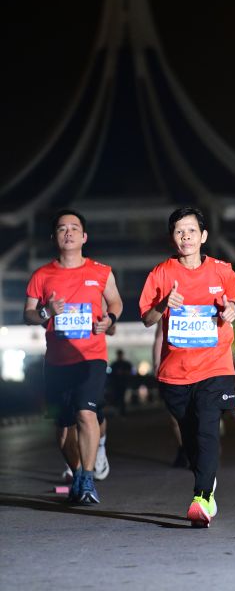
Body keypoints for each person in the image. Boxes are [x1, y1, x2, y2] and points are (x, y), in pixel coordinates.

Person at [139, 206, 235, 527]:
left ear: (203, 236)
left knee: (207, 426)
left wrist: (230, 310)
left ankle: (201, 496)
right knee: (190, 437)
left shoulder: (221, 270)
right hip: (176, 373)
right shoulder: (161, 273)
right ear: (172, 237)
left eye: (191, 231)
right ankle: (206, 480)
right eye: (179, 231)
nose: (186, 237)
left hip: (215, 367)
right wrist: (163, 304)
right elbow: (147, 319)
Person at [24, 209, 123, 505]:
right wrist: (47, 311)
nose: (68, 233)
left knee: (85, 412)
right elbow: (29, 314)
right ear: (54, 236)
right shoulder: (42, 275)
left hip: (91, 356)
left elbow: (115, 302)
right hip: (57, 361)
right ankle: (78, 472)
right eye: (62, 228)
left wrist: (109, 319)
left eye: (74, 228)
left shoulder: (101, 272)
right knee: (63, 426)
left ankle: (88, 478)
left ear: (84, 236)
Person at [153, 319, 189, 468]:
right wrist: (157, 364)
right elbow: (159, 336)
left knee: (200, 413)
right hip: (174, 366)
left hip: (201, 366)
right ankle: (185, 449)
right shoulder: (169, 307)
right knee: (176, 417)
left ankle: (200, 449)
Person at [110, 349, 132, 415]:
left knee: (121, 398)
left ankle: (122, 412)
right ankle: (120, 412)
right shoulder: (115, 364)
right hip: (118, 384)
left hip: (122, 384)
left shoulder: (117, 364)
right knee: (118, 398)